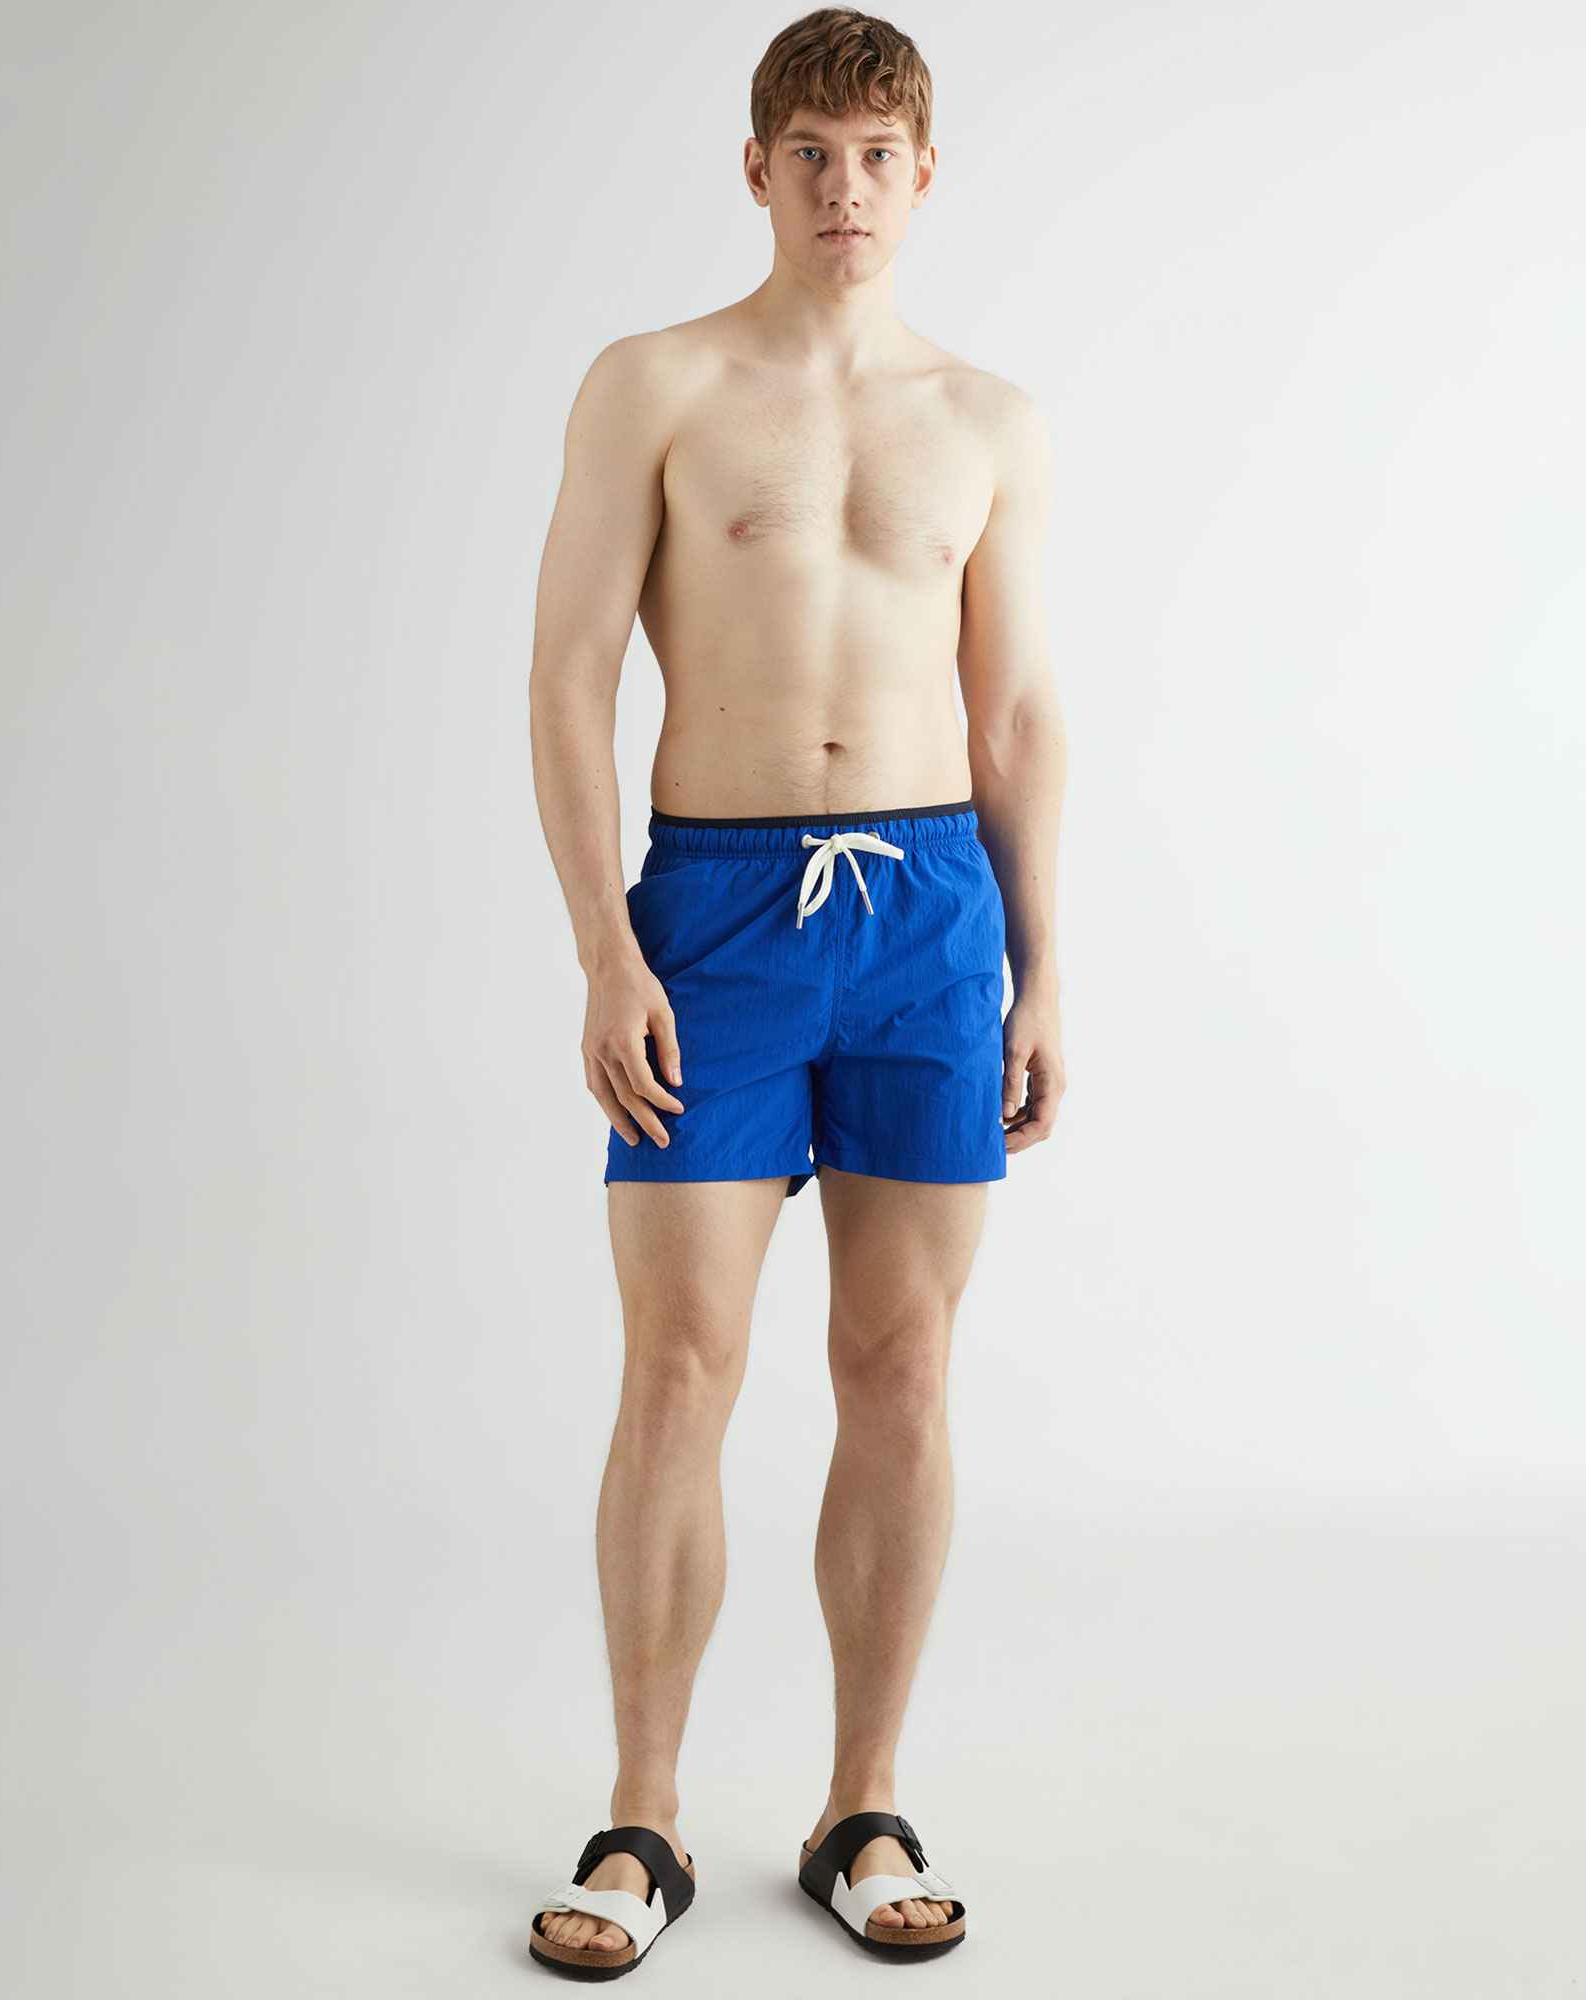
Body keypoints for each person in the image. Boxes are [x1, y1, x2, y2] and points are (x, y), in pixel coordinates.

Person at [527, 7, 1066, 1975]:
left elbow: (1012, 711)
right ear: (755, 171)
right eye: (811, 155)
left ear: (925, 178)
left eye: (877, 156)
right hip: (717, 913)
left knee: (900, 1368)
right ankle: (641, 1819)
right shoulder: (654, 383)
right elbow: (567, 672)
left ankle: (862, 1802)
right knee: (679, 1365)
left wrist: (1041, 968)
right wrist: (605, 944)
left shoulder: (987, 418)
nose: (846, 189)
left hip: (927, 914)